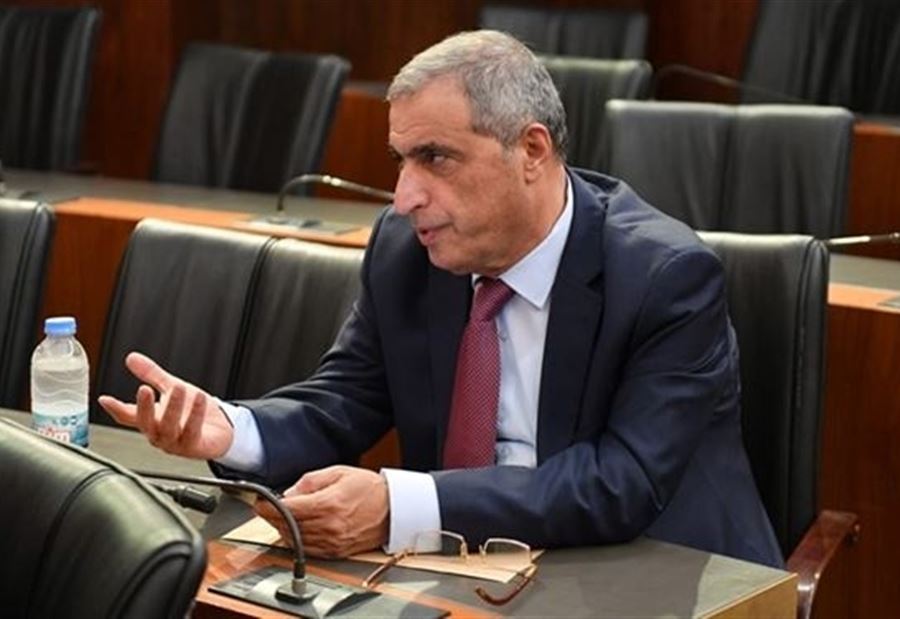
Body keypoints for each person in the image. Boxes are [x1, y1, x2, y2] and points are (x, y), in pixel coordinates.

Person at [99, 30, 782, 568]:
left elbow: (620, 481)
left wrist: (399, 504)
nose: (404, 198)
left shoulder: (665, 276)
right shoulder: (408, 251)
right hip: (468, 568)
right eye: (401, 160)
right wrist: (233, 429)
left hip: (657, 572)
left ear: (532, 150)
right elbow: (346, 398)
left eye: (435, 158)